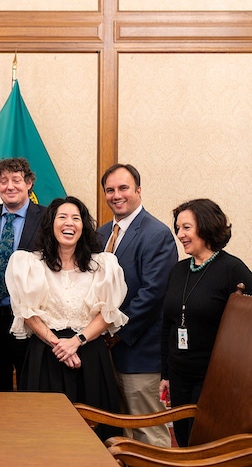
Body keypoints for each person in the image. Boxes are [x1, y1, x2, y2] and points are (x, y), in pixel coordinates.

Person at [6, 196, 128, 440]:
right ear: (51, 224)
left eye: (76, 218)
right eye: (62, 217)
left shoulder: (102, 265)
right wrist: (57, 343)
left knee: (94, 432)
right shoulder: (30, 264)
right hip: (45, 356)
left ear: (83, 226)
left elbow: (108, 313)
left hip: (90, 355)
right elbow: (27, 312)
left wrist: (77, 341)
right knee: (44, 433)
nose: (68, 223)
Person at [97, 164, 177, 447]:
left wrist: (115, 332)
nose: (116, 195)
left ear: (138, 191)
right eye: (110, 190)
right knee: (118, 437)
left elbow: (153, 294)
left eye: (123, 188)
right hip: (106, 353)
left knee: (148, 436)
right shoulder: (102, 232)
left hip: (139, 352)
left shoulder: (157, 234)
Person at [160, 198, 252, 447]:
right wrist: (165, 374)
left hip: (214, 377)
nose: (180, 234)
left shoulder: (233, 269)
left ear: (207, 226)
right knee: (182, 440)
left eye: (186, 227)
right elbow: (168, 325)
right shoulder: (178, 270)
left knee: (203, 444)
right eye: (178, 228)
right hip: (179, 374)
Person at [0, 157, 46, 391]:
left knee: (32, 384)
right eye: (3, 181)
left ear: (28, 183)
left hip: (30, 318)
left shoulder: (47, 218)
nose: (10, 186)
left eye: (16, 180)